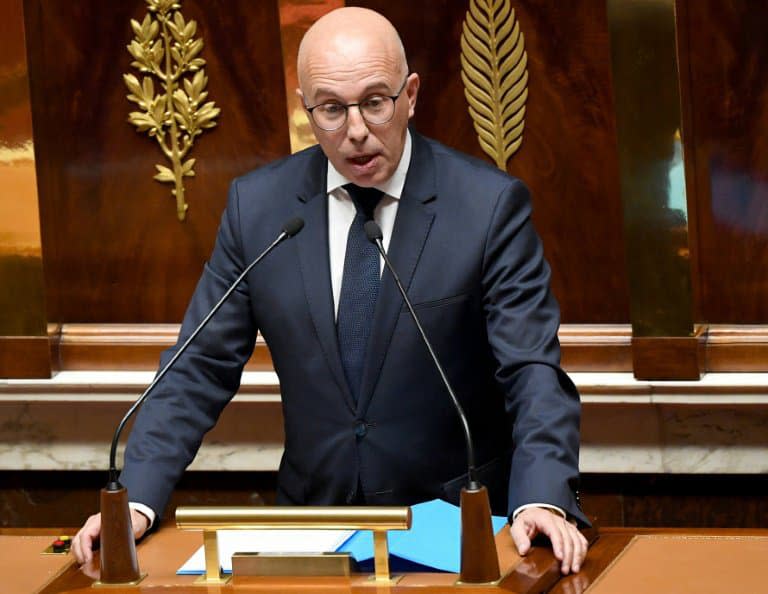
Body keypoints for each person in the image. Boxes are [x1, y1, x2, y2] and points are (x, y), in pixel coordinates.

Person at [73, 7, 589, 574]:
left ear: (410, 94)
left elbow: (532, 370)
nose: (356, 131)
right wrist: (137, 498)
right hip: (310, 536)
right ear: (306, 109)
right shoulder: (260, 209)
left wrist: (540, 495)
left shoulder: (487, 207)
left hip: (453, 535)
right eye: (332, 109)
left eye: (375, 101)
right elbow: (198, 367)